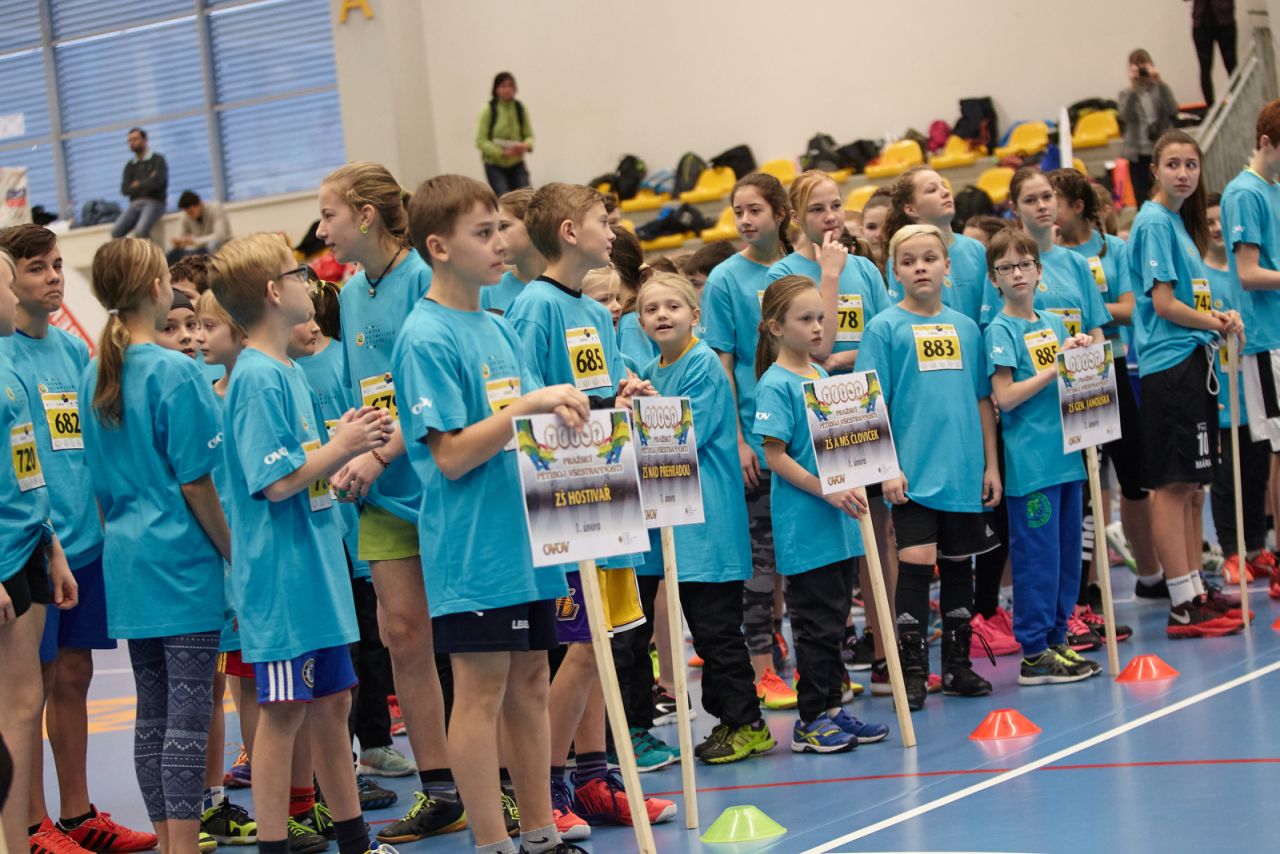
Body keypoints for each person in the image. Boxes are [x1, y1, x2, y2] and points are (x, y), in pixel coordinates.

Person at [394, 172, 588, 854]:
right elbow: (450, 456)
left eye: (501, 228)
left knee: (531, 683)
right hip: (473, 547)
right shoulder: (425, 336)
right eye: (484, 232)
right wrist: (526, 407)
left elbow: (531, 426)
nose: (502, 242)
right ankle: (491, 842)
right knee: (480, 692)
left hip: (525, 539)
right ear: (439, 246)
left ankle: (539, 834)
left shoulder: (498, 326)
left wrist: (586, 408)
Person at [209, 234, 393, 854]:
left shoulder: (284, 369)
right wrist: (341, 447)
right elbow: (275, 481)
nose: (308, 281)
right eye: (297, 273)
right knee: (283, 713)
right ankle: (274, 844)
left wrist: (340, 446)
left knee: (333, 705)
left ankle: (355, 840)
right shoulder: (257, 377)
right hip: (281, 578)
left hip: (315, 568)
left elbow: (302, 467)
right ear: (272, 292)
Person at [504, 182, 675, 835]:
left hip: (610, 489)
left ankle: (594, 779)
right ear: (570, 232)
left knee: (607, 642)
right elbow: (524, 405)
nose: (613, 231)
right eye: (603, 221)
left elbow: (594, 390)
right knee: (579, 648)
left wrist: (622, 397)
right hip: (566, 496)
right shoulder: (534, 307)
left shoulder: (596, 314)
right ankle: (545, 785)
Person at [316, 163, 461, 843]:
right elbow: (366, 392)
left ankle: (496, 781)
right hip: (379, 492)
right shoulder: (349, 294)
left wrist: (379, 454)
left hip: (439, 485)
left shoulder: (425, 282)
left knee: (468, 644)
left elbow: (429, 398)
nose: (322, 229)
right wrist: (348, 451)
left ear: (366, 214)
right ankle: (441, 791)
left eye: (330, 214)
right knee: (403, 638)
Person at [0, 226, 156, 854]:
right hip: (29, 548)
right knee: (27, 691)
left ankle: (77, 814)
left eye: (58, 265)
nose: (53, 277)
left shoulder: (71, 351)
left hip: (81, 546)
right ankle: (31, 824)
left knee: (74, 676)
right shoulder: (3, 355)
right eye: (36, 268)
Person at [80, 238, 229, 854]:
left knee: (154, 712)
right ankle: (184, 848)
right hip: (181, 563)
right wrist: (234, 552)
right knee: (188, 719)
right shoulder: (175, 371)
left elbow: (98, 484)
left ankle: (172, 844)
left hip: (128, 559)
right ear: (153, 289)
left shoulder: (95, 371)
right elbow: (197, 482)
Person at [627, 271, 777, 763]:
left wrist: (645, 410)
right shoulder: (648, 370)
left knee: (715, 631)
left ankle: (745, 723)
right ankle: (639, 725)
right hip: (662, 522)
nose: (662, 315)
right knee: (637, 633)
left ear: (695, 316)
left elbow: (686, 432)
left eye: (672, 306)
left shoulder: (704, 363)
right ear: (640, 322)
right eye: (651, 309)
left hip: (706, 524)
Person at [858, 225, 1002, 711]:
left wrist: (991, 466)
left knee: (961, 563)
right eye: (908, 261)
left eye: (929, 258)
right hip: (912, 473)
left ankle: (958, 665)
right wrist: (887, 468)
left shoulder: (966, 328)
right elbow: (871, 404)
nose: (920, 267)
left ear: (947, 266)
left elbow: (982, 400)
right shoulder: (884, 328)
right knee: (917, 561)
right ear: (894, 271)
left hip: (963, 469)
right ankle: (913, 672)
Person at [752, 275, 889, 752]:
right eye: (805, 319)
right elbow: (775, 456)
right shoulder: (775, 384)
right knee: (814, 626)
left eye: (820, 318)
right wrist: (826, 489)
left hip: (840, 524)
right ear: (776, 327)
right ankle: (810, 721)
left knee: (835, 623)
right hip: (806, 525)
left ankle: (832, 708)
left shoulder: (821, 377)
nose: (817, 327)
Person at [1128, 129, 1247, 637]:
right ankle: (1181, 601)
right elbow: (1163, 305)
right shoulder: (1155, 221)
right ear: (1155, 170)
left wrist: (1218, 314)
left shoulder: (1177, 223)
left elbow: (1189, 300)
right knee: (1173, 485)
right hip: (1170, 367)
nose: (1183, 173)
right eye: (1173, 164)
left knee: (1193, 485)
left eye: (1191, 165)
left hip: (1193, 361)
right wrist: (1215, 322)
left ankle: (1196, 588)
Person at [983, 227, 1101, 684]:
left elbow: (1073, 382)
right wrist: (1056, 368)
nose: (1018, 273)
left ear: (1039, 271)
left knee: (1068, 557)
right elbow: (1005, 397)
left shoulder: (1054, 324)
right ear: (994, 278)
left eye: (1025, 264)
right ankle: (1033, 652)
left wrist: (1081, 358)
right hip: (1032, 464)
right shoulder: (1000, 329)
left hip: (1068, 457)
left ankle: (1056, 639)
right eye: (1007, 267)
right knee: (1038, 559)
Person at [699, 172, 798, 709]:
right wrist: (737, 440)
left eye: (755, 209)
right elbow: (722, 363)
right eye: (738, 210)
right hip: (756, 440)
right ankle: (762, 667)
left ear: (780, 213)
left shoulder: (798, 269)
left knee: (801, 558)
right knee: (760, 561)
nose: (744, 220)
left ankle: (804, 659)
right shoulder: (724, 279)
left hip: (805, 437)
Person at [1050, 168, 1164, 601]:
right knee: (1086, 483)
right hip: (1066, 373)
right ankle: (1086, 586)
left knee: (1133, 478)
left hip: (1110, 364)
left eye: (1055, 201)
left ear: (1078, 207)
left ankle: (1151, 574)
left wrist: (1090, 311)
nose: (1047, 209)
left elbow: (1133, 308)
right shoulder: (1044, 257)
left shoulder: (1113, 249)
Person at [0, 246, 79, 854]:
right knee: (18, 705)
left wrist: (51, 543)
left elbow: (24, 473)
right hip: (3, 560)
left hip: (31, 545)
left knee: (27, 703)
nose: (13, 296)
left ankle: (26, 837)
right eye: (7, 285)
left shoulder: (9, 375)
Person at [1219, 100, 1280, 589]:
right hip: (1266, 340)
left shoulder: (1273, 190)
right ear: (1265, 142)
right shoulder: (1244, 193)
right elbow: (1248, 272)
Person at [1204, 192, 1273, 591]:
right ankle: (1231, 550)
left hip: (1254, 385)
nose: (1217, 228)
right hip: (1220, 392)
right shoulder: (1198, 274)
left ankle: (1256, 547)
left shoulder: (1248, 271)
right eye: (1209, 222)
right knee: (1226, 477)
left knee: (1256, 471)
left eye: (1221, 221)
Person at [1118, 50, 1178, 206]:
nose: (1141, 68)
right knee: (1142, 198)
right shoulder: (1126, 93)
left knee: (1166, 195)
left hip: (1161, 150)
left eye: (1144, 64)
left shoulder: (1160, 88)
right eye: (1136, 65)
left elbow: (1173, 110)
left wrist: (1160, 82)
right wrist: (1134, 89)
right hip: (1138, 154)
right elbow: (1126, 116)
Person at [481, 189, 543, 315]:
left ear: (535, 225)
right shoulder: (487, 291)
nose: (495, 238)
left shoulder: (573, 287)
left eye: (503, 226)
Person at [476, 72, 533, 195]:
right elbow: (481, 141)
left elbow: (529, 136)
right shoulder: (488, 109)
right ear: (496, 89)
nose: (507, 89)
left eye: (510, 85)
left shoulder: (520, 108)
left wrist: (526, 145)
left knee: (527, 196)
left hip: (517, 162)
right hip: (495, 165)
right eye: (503, 86)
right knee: (505, 198)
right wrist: (502, 152)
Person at [111, 128, 168, 241]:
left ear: (145, 140)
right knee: (116, 231)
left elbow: (158, 183)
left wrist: (137, 184)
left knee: (141, 231)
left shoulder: (157, 159)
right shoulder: (130, 166)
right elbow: (125, 190)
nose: (132, 142)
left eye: (135, 139)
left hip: (154, 202)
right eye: (130, 140)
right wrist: (148, 180)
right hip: (135, 204)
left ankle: (147, 252)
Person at [1191, 0, 1237, 106]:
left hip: (1225, 20)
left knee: (1231, 65)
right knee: (1205, 68)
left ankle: (1238, 99)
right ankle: (1210, 107)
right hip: (1201, 23)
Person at [169, 192, 232, 264]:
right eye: (187, 212)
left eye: (191, 212)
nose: (189, 215)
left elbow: (220, 236)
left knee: (213, 244)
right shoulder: (186, 215)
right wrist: (179, 242)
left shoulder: (215, 208)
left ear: (200, 204)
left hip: (222, 247)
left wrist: (195, 241)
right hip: (201, 250)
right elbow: (182, 237)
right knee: (173, 253)